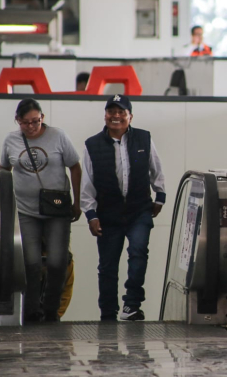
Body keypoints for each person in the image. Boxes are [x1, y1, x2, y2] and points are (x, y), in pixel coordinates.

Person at [81, 94, 166, 321]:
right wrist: (90, 215)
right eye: (111, 111)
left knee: (138, 253)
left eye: (121, 112)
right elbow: (87, 183)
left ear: (130, 116)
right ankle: (108, 312)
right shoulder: (92, 144)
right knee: (107, 266)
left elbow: (155, 168)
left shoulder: (144, 139)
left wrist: (160, 197)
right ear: (105, 115)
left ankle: (132, 305)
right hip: (108, 213)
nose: (116, 116)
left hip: (139, 210)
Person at [0, 98, 82, 323]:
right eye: (26, 123)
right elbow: (4, 169)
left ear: (42, 118)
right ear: (17, 121)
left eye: (36, 121)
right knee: (31, 263)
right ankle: (32, 311)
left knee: (57, 261)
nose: (32, 126)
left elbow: (75, 166)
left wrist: (77, 202)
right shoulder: (11, 140)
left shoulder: (58, 136)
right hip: (27, 211)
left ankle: (51, 310)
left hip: (57, 210)